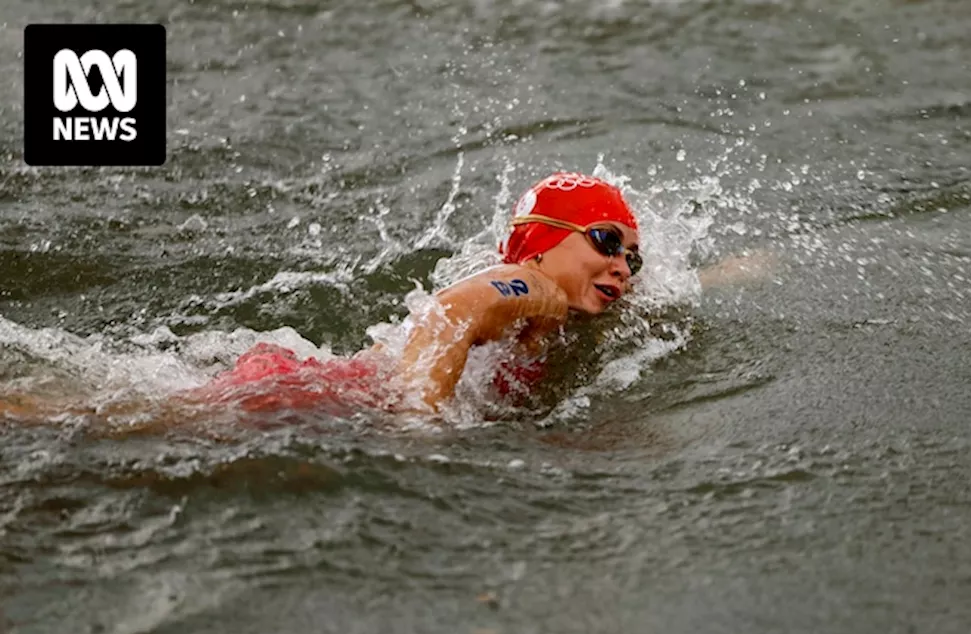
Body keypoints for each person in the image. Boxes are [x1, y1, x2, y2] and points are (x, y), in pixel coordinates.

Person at [1, 172, 644, 420]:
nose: (623, 267)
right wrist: (419, 435)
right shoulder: (534, 288)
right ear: (539, 243)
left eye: (633, 257)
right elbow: (454, 311)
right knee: (89, 428)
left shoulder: (559, 303)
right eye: (607, 241)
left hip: (325, 395)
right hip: (314, 400)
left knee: (88, 410)